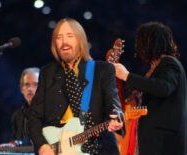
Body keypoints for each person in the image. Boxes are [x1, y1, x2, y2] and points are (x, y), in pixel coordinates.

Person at [27, 18, 123, 155]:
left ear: (80, 39)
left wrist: (117, 117)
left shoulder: (102, 70)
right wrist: (42, 146)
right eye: (59, 37)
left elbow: (114, 105)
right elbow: (33, 117)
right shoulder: (47, 72)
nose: (64, 42)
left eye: (70, 36)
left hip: (98, 148)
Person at [114, 22, 187, 155]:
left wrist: (127, 76)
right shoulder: (156, 67)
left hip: (162, 144)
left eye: (142, 42)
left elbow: (163, 88)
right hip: (153, 142)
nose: (140, 48)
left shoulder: (169, 63)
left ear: (152, 43)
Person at [11, 67, 40, 145]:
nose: (30, 89)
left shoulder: (51, 112)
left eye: (35, 84)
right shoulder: (17, 116)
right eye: (27, 85)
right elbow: (15, 143)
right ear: (21, 89)